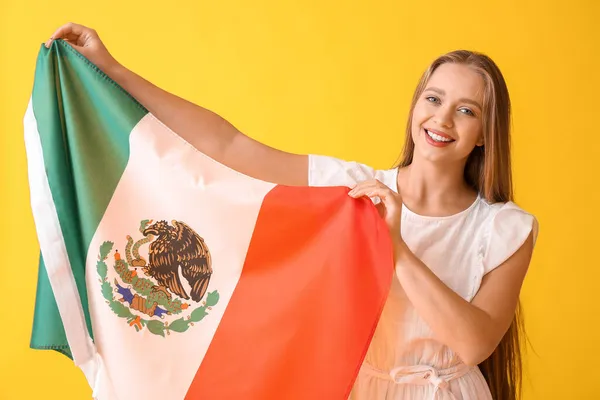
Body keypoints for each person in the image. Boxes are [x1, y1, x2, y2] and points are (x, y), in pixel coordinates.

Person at [45, 22, 538, 400]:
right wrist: (111, 69)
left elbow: (475, 344)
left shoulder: (505, 229)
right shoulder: (353, 190)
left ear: (484, 134)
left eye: (466, 110)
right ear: (415, 107)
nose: (442, 118)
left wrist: (397, 248)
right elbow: (228, 143)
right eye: (434, 98)